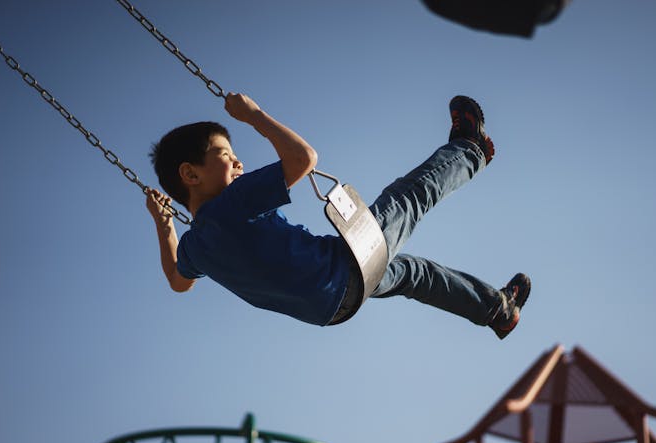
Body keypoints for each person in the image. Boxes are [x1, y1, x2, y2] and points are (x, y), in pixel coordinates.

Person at [146, 93, 530, 339]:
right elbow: (302, 159)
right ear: (190, 174)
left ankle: (496, 310)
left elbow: (178, 281)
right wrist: (254, 116)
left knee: (415, 275)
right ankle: (470, 150)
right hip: (341, 270)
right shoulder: (232, 204)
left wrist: (164, 227)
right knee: (407, 198)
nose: (237, 160)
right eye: (225, 154)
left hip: (331, 308)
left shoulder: (195, 246)